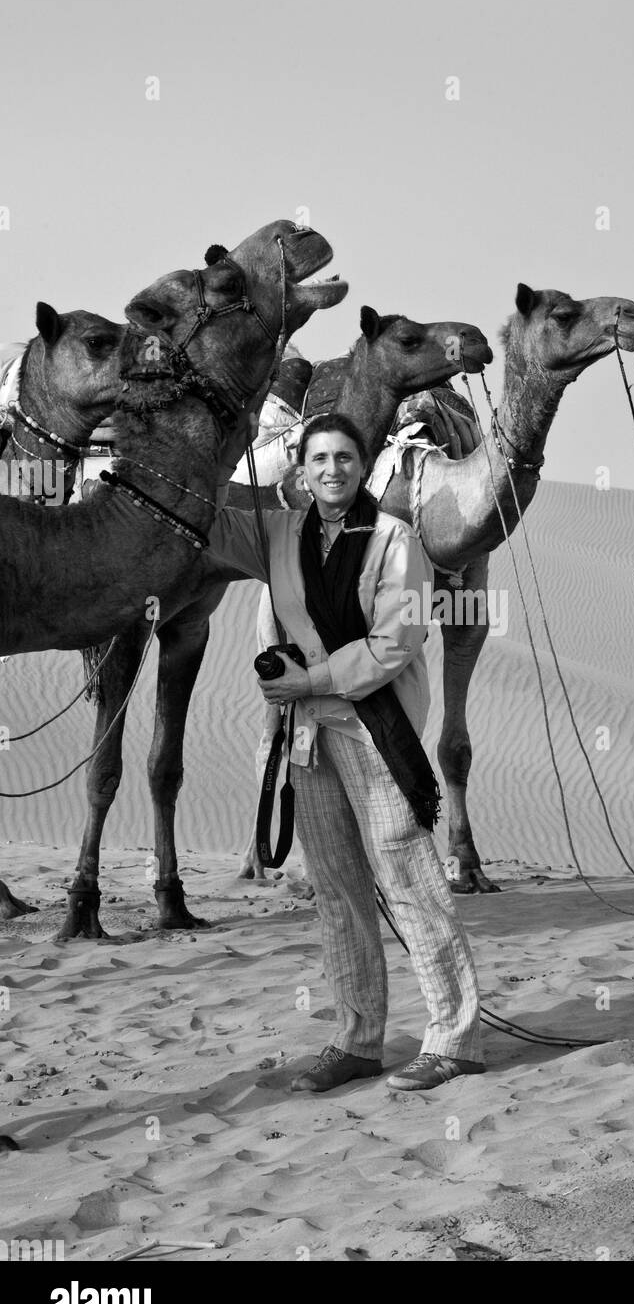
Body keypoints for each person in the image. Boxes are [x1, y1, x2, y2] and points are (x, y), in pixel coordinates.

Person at [207, 413, 484, 1091]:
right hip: (304, 738)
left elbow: (398, 641)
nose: (332, 469)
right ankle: (359, 1037)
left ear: (363, 466)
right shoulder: (274, 535)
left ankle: (456, 1037)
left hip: (372, 731)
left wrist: (313, 679)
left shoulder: (396, 541)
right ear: (300, 470)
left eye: (344, 458)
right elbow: (201, 520)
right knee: (336, 893)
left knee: (410, 883)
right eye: (319, 459)